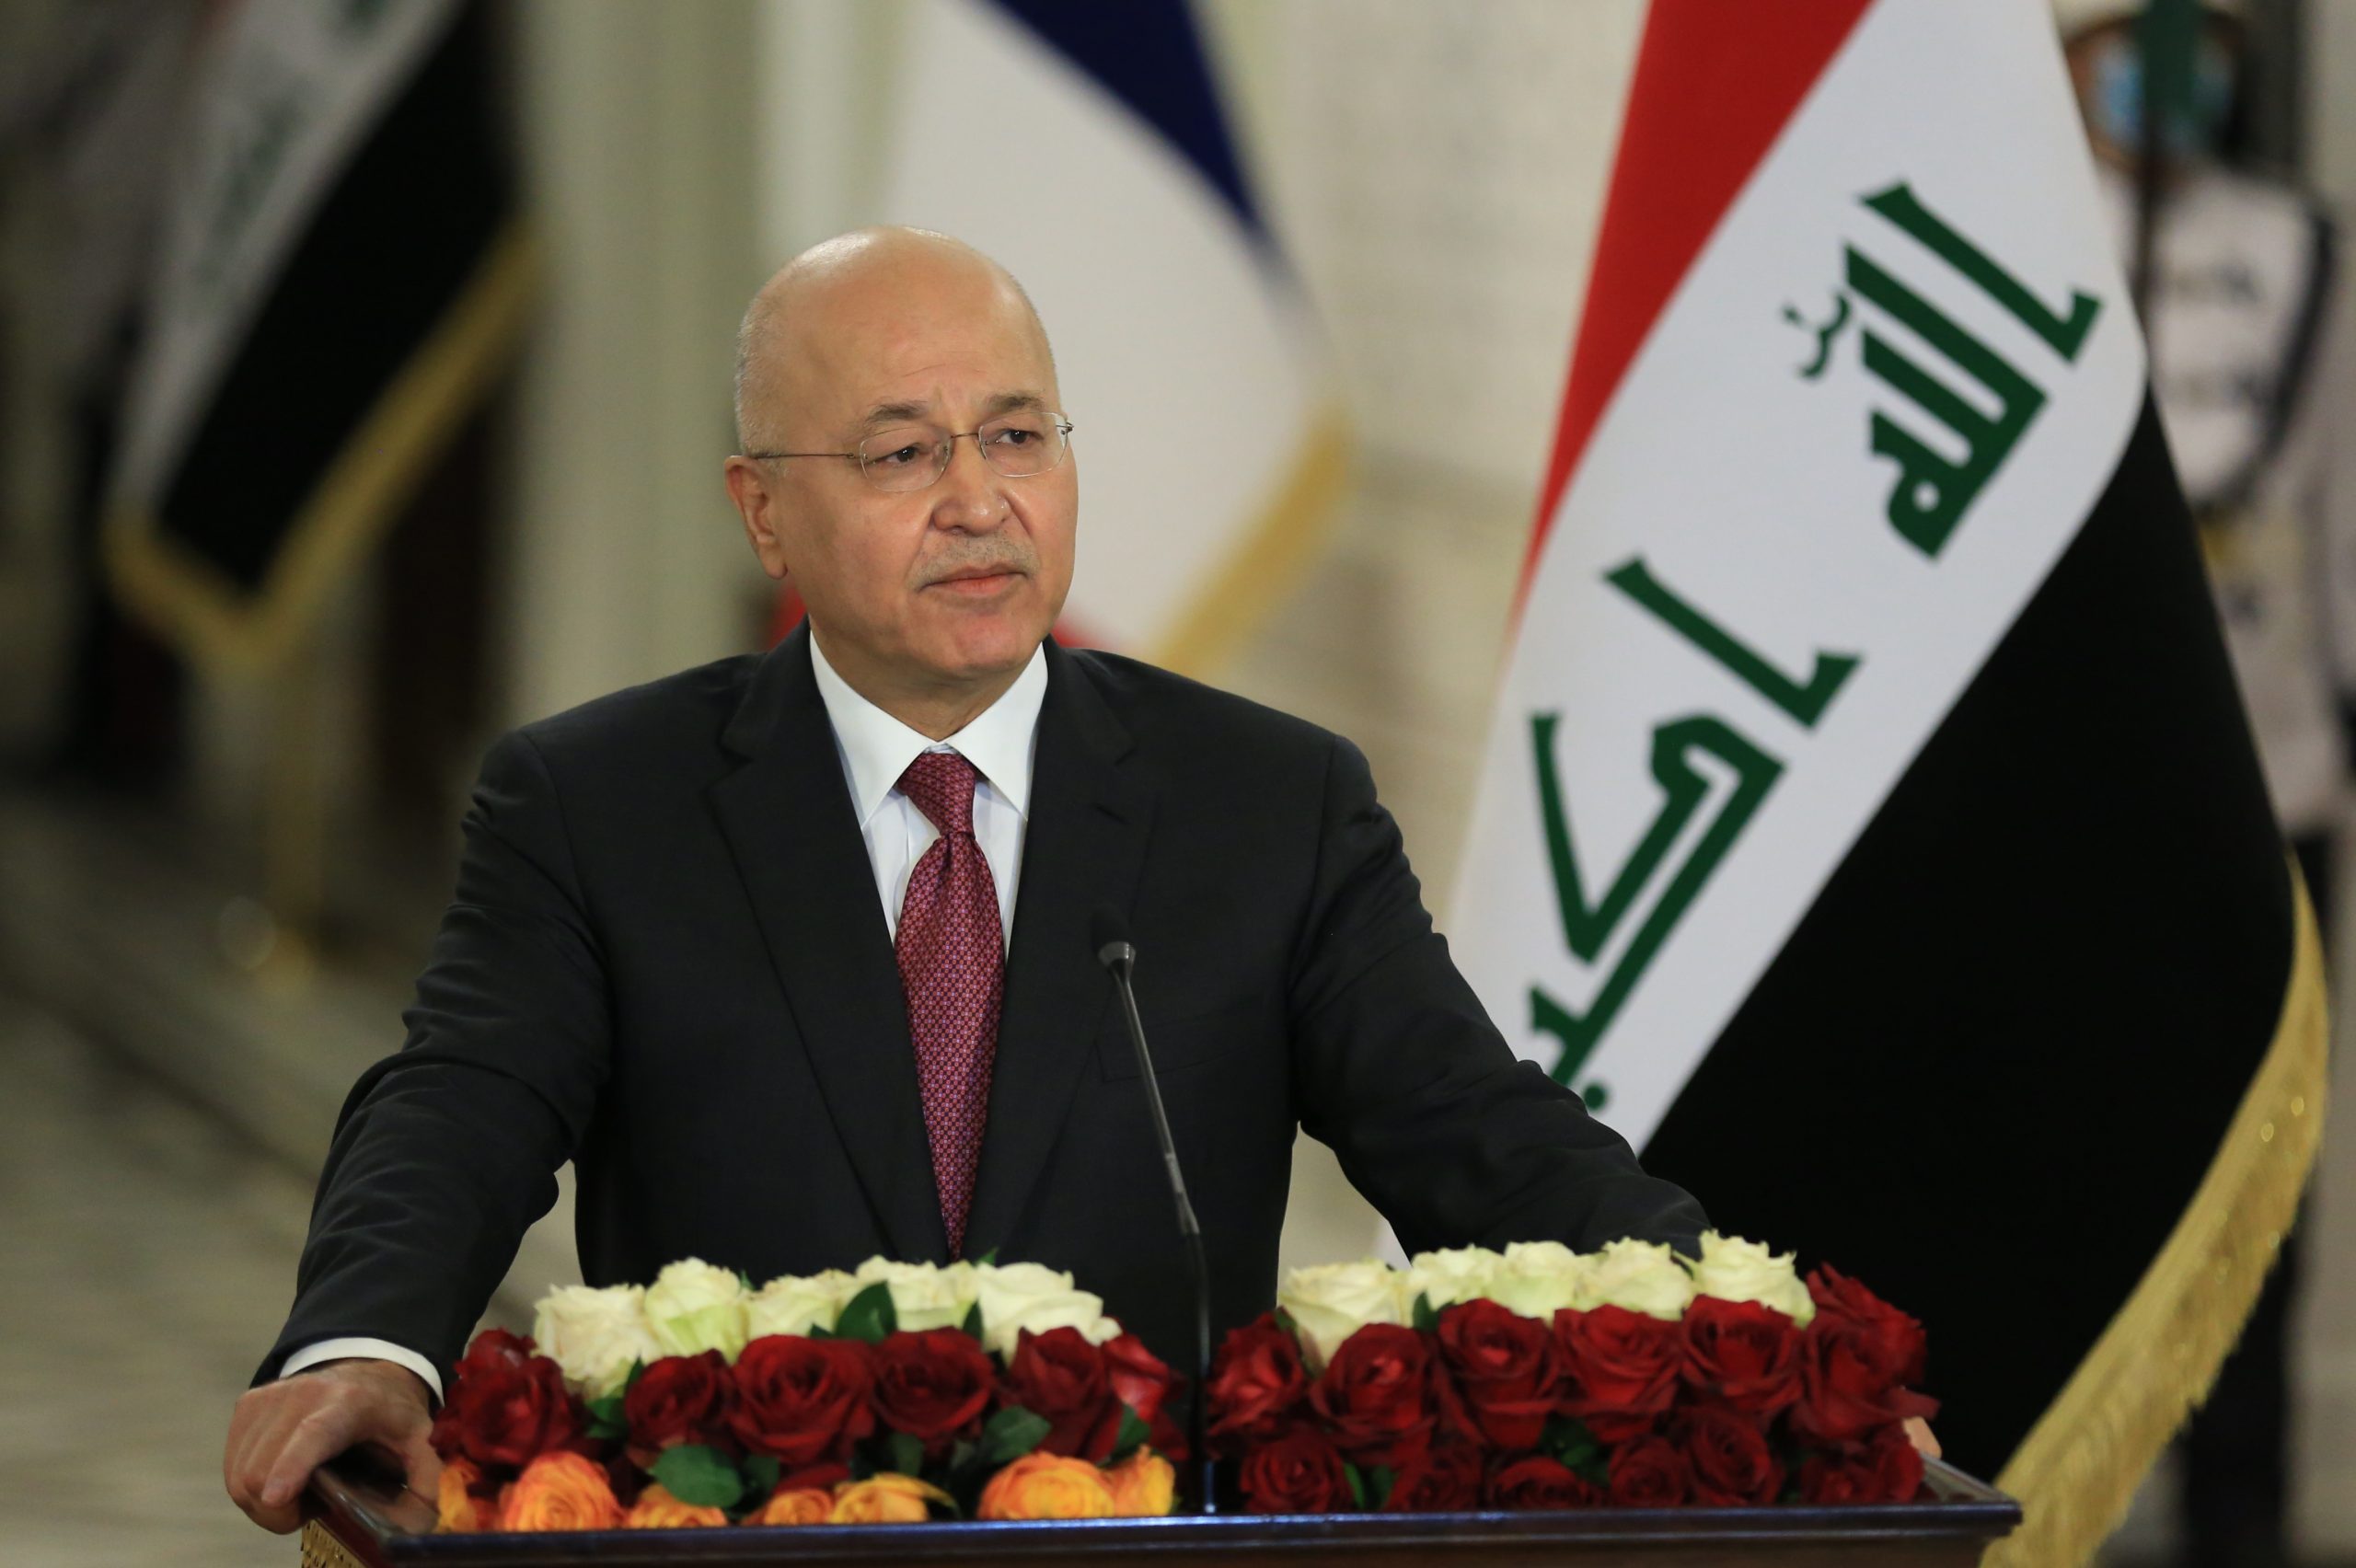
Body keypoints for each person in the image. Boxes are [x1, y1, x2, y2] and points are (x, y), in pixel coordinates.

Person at [220, 227, 1710, 1532]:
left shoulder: (1267, 802)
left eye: (1017, 437)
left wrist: (1728, 1327)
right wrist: (369, 1344)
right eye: (902, 454)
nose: (980, 500)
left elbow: (1476, 1134)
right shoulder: (597, 805)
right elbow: (461, 1104)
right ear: (762, 510)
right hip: (747, 1537)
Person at [2061, 4, 2350, 1565]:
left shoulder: (2302, 253)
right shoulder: (2020, 234)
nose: (2161, 65)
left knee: (2259, 1173)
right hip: (2061, 791)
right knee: (2071, 1160)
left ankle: (2240, 1514)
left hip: (2264, 763)